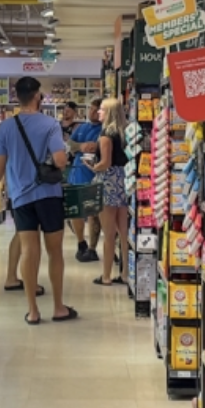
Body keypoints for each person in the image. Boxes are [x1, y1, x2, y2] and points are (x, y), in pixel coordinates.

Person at [0, 76, 77, 324]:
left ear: (17, 97)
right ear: (38, 96)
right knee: (55, 252)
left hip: (21, 197)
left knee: (28, 251)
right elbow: (60, 161)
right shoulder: (50, 124)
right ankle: (58, 307)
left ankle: (33, 311)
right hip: (49, 195)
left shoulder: (5, 127)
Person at [88, 98, 131, 287]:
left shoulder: (106, 135)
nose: (98, 112)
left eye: (102, 109)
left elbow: (105, 163)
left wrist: (92, 166)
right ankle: (125, 273)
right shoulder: (125, 133)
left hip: (108, 182)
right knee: (124, 232)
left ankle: (106, 275)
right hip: (124, 180)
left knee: (108, 233)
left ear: (109, 113)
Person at [67, 98, 103, 263]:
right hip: (77, 174)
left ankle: (92, 248)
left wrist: (98, 148)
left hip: (94, 176)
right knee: (76, 212)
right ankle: (81, 242)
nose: (92, 113)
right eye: (91, 109)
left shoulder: (105, 130)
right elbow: (70, 144)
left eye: (96, 110)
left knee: (94, 214)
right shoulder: (81, 128)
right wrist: (80, 147)